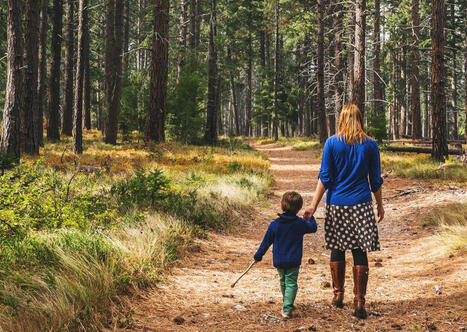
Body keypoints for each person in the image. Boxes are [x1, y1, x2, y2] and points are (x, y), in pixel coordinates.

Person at [304, 104, 384, 319]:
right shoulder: (370, 145)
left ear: (341, 119)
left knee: (337, 248)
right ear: (360, 119)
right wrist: (380, 204)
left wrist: (313, 204)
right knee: (359, 250)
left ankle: (338, 295)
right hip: (362, 204)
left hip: (337, 204)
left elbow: (325, 177)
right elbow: (375, 181)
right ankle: (359, 301)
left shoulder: (332, 143)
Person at [254, 191, 317, 319]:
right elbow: (313, 228)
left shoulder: (275, 225)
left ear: (282, 207)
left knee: (283, 281)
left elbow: (266, 242)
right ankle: (287, 307)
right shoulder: (300, 223)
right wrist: (311, 217)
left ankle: (286, 303)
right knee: (291, 282)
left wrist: (258, 255)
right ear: (299, 208)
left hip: (279, 260)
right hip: (293, 260)